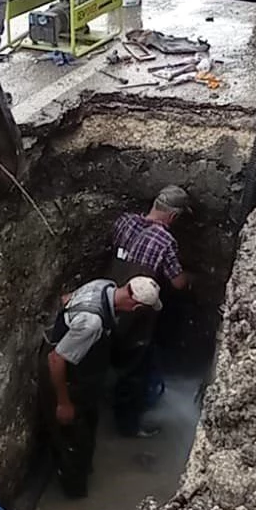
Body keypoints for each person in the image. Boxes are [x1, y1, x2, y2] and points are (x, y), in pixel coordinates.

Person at [40, 276, 162, 497]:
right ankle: (74, 496)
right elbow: (55, 360)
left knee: (86, 432)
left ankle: (83, 467)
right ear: (135, 305)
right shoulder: (91, 323)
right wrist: (63, 403)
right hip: (67, 381)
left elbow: (66, 299)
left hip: (84, 380)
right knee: (72, 444)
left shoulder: (104, 285)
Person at [108, 186, 191, 437]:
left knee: (113, 357)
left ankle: (108, 398)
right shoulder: (165, 241)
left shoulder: (124, 222)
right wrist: (192, 280)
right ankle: (128, 427)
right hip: (136, 318)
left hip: (111, 303)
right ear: (174, 217)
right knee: (134, 372)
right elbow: (178, 283)